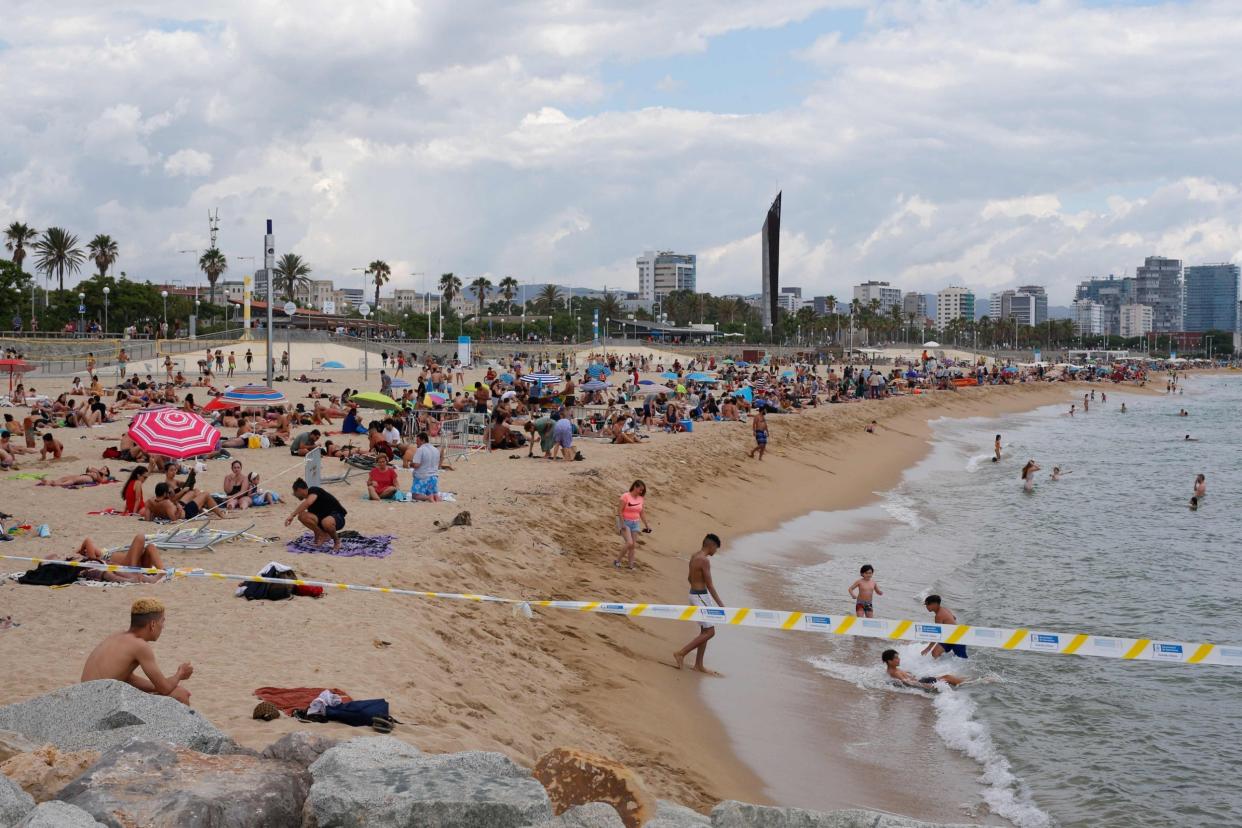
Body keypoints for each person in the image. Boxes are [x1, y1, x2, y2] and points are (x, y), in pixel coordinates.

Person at [80, 599, 193, 705]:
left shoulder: (116, 636)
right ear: (152, 625)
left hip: (84, 698)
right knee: (181, 694)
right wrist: (180, 674)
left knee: (174, 691)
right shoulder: (140, 645)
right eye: (162, 621)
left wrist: (156, 687)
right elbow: (165, 688)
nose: (163, 627)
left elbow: (128, 678)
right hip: (98, 705)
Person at [674, 533, 724, 673]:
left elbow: (690, 578)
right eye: (716, 549)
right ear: (711, 545)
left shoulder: (694, 556)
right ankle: (681, 653)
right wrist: (721, 605)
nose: (715, 552)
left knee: (705, 630)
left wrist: (697, 587)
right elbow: (710, 585)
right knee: (710, 632)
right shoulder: (704, 560)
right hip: (700, 597)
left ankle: (698, 665)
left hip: (695, 594)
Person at [288, 477, 347, 549]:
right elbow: (314, 522)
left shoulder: (314, 490)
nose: (295, 495)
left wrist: (292, 515)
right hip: (323, 522)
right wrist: (316, 539)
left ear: (299, 490)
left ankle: (337, 541)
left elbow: (308, 502)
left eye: (295, 493)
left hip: (337, 517)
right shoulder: (310, 502)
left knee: (326, 522)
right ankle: (322, 534)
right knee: (302, 516)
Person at [882, 649, 965, 690]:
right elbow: (908, 683)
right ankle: (965, 685)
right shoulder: (894, 672)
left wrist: (910, 674)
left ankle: (964, 683)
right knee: (948, 677)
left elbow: (906, 678)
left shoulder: (895, 670)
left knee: (947, 677)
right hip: (922, 683)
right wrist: (927, 687)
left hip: (921, 680)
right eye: (896, 658)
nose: (899, 659)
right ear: (889, 661)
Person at [615, 480, 651, 570]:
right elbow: (619, 511)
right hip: (624, 522)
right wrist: (622, 523)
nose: (641, 492)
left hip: (635, 523)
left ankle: (631, 565)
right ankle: (617, 561)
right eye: (640, 489)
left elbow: (642, 513)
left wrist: (647, 525)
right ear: (635, 487)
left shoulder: (641, 499)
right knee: (629, 543)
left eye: (643, 490)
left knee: (633, 545)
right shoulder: (625, 496)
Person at [409, 432, 441, 502]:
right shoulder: (435, 450)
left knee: (415, 495)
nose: (416, 443)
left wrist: (411, 464)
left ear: (423, 440)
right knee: (433, 493)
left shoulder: (421, 449)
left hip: (422, 477)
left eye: (417, 441)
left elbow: (416, 465)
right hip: (434, 477)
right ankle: (436, 497)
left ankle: (428, 498)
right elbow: (438, 464)